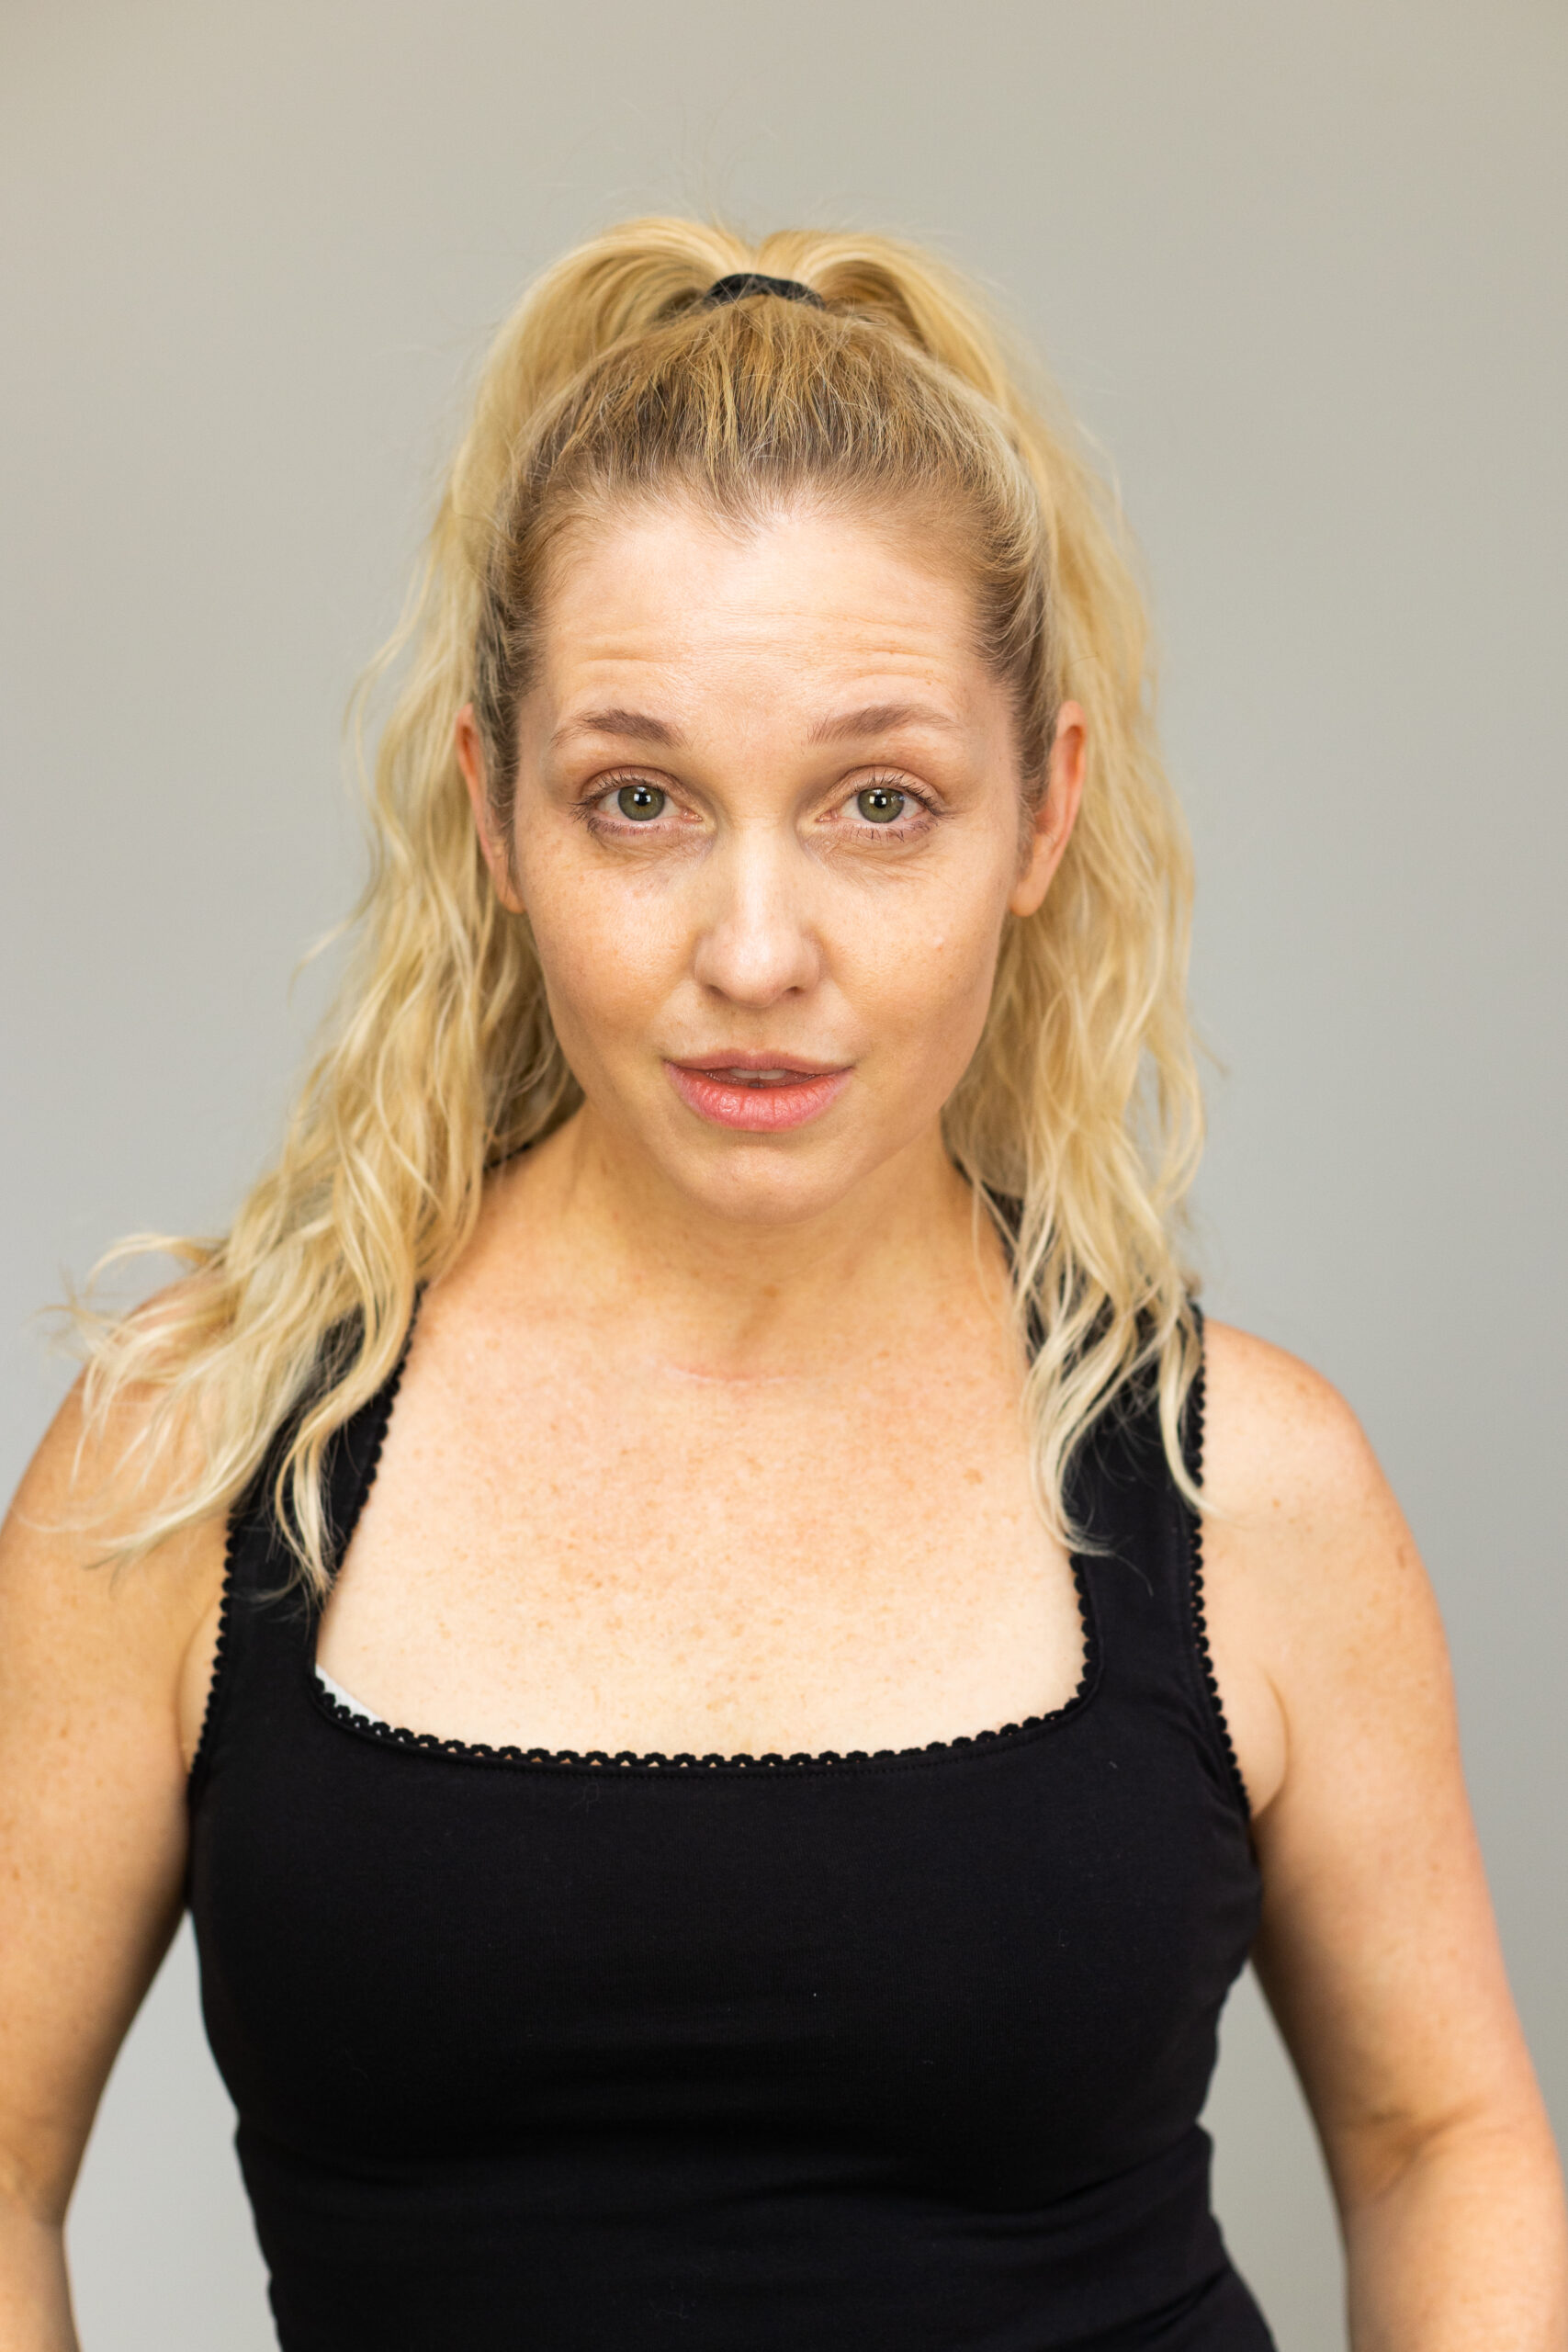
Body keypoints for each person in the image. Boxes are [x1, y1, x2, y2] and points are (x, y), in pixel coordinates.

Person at [0, 220, 1562, 2352]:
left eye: (877, 802)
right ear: (493, 816)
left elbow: (1436, 2138)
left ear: (1040, 814)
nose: (754, 948)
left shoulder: (1250, 1489)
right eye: (637, 799)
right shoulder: (196, 1460)